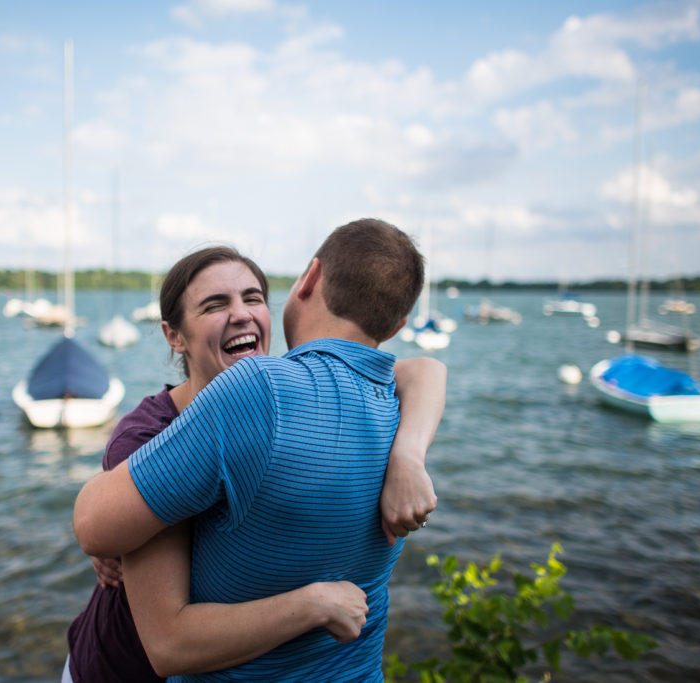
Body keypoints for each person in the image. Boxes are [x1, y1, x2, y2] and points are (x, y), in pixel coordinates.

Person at [70, 225, 442, 681]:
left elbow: (422, 369)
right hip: (119, 668)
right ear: (175, 335)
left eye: (253, 298)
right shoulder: (153, 432)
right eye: (215, 304)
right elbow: (104, 537)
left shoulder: (275, 389)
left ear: (307, 281)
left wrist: (409, 457)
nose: (242, 314)